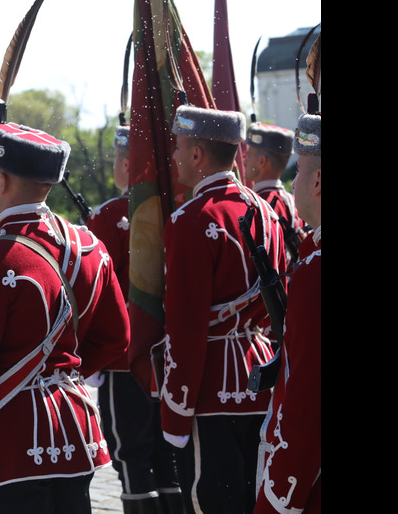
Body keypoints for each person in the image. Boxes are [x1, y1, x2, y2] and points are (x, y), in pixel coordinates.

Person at [0, 119, 130, 513]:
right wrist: (58, 373)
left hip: (7, 445)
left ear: (1, 182)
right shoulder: (89, 246)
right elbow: (115, 338)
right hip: (74, 433)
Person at [161, 105, 287, 514]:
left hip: (211, 385)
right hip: (262, 374)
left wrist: (176, 411)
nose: (175, 157)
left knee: (213, 501)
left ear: (197, 156)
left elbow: (186, 327)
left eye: (180, 148)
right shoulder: (267, 213)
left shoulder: (191, 220)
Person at [86, 125, 183, 514]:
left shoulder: (109, 217)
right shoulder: (177, 209)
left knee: (130, 456)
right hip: (169, 354)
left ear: (127, 162)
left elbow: (95, 295)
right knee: (168, 455)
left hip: (123, 359)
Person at [254, 111, 320, 514]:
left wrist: (279, 498)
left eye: (299, 174)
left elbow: (307, 399)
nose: (291, 184)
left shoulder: (315, 273)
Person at [243, 122, 307, 263]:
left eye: (248, 155)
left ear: (261, 162)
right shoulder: (294, 201)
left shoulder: (256, 205)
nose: (244, 160)